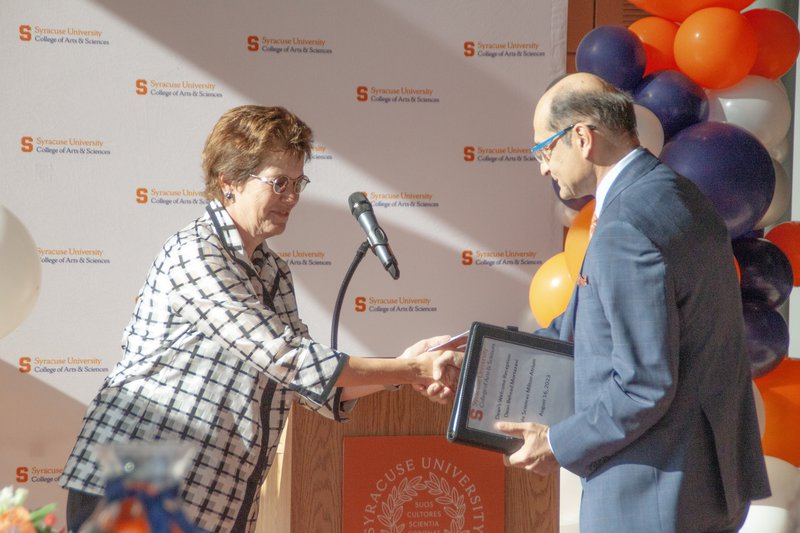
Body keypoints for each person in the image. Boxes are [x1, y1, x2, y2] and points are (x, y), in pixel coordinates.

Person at [59, 105, 451, 532]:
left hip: (215, 497)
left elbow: (305, 387)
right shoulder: (197, 251)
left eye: (297, 183)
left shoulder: (274, 270)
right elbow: (286, 359)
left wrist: (405, 372)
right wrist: (411, 367)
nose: (292, 197)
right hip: (141, 483)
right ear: (229, 182)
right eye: (279, 182)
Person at [429, 73, 770, 532]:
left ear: (583, 138)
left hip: (652, 493)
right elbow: (577, 329)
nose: (543, 168)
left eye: (544, 151)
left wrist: (557, 443)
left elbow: (643, 386)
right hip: (702, 480)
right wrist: (469, 360)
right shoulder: (676, 195)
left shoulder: (626, 225)